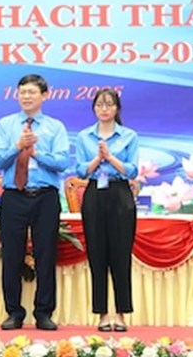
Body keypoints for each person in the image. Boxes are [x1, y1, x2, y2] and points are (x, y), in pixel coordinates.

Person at [0, 74, 69, 331]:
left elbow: (62, 162)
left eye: (32, 92)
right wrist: (17, 146)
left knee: (46, 254)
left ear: (44, 95)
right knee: (12, 255)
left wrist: (37, 152)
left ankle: (44, 312)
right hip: (14, 196)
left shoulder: (55, 127)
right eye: (22, 92)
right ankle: (14, 312)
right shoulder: (6, 124)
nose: (26, 96)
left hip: (45, 197)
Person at [74, 87, 139, 332]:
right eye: (100, 105)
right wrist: (97, 159)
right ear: (94, 108)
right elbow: (81, 171)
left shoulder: (129, 136)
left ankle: (121, 313)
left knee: (121, 255)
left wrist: (110, 157)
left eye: (109, 105)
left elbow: (132, 170)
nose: (104, 109)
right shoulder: (84, 136)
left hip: (120, 194)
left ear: (117, 108)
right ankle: (101, 313)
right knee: (97, 255)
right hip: (94, 194)